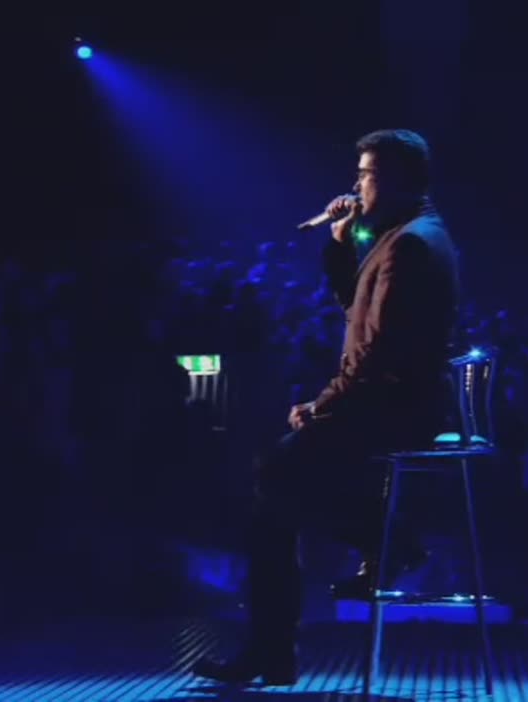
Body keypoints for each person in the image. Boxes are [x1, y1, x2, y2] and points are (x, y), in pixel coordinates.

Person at [194, 129, 460, 685]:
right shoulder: (405, 236)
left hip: (395, 408)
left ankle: (386, 542)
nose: (356, 186)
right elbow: (357, 315)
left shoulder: (410, 245)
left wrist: (321, 407)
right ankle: (382, 545)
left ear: (397, 179)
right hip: (390, 400)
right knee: (276, 490)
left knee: (275, 475)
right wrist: (341, 246)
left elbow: (376, 354)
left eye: (366, 175)